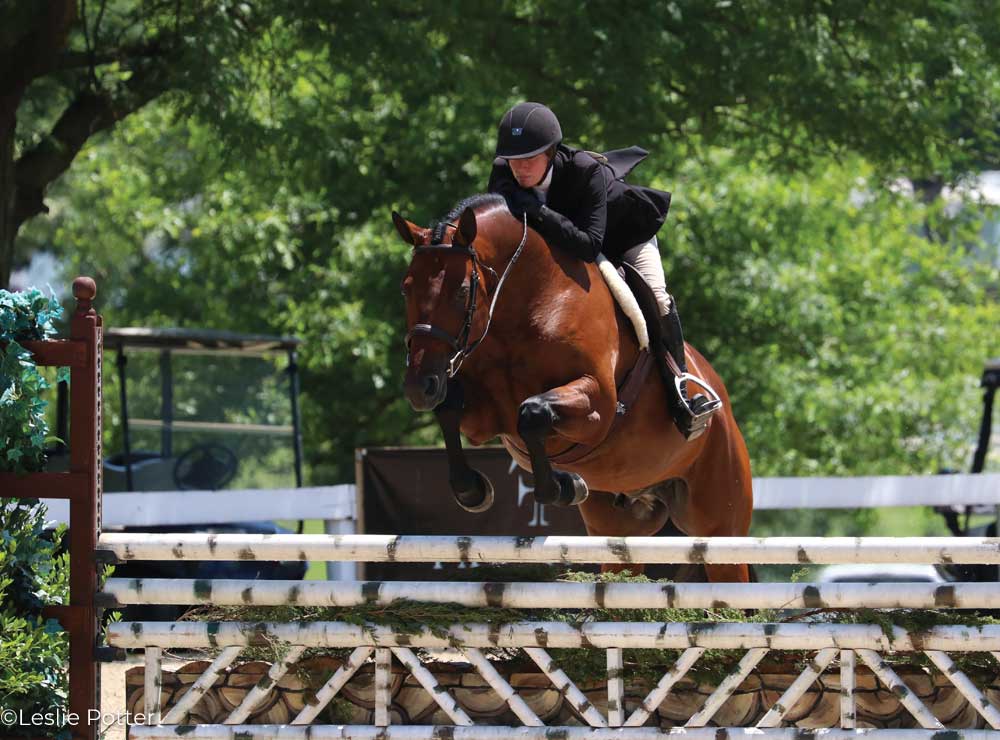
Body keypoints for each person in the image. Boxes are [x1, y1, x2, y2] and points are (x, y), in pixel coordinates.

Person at [487, 101, 720, 440]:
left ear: (551, 153)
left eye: (528, 159)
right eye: (513, 160)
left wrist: (536, 211)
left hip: (621, 236)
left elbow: (588, 244)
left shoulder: (586, 171)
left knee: (656, 297)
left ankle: (680, 391)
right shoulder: (503, 172)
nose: (519, 169)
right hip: (562, 246)